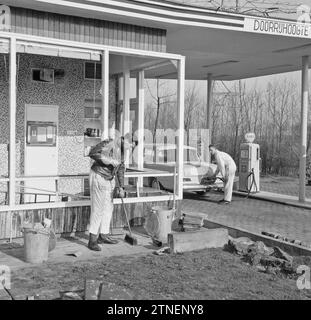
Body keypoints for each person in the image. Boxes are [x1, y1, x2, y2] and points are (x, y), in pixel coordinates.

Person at [87, 137, 125, 251]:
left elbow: (120, 168)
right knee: (98, 209)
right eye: (132, 143)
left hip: (109, 178)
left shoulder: (122, 151)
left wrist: (121, 187)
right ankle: (92, 240)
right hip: (98, 175)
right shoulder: (109, 144)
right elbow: (92, 153)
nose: (133, 146)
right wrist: (108, 160)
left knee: (108, 208)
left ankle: (103, 235)